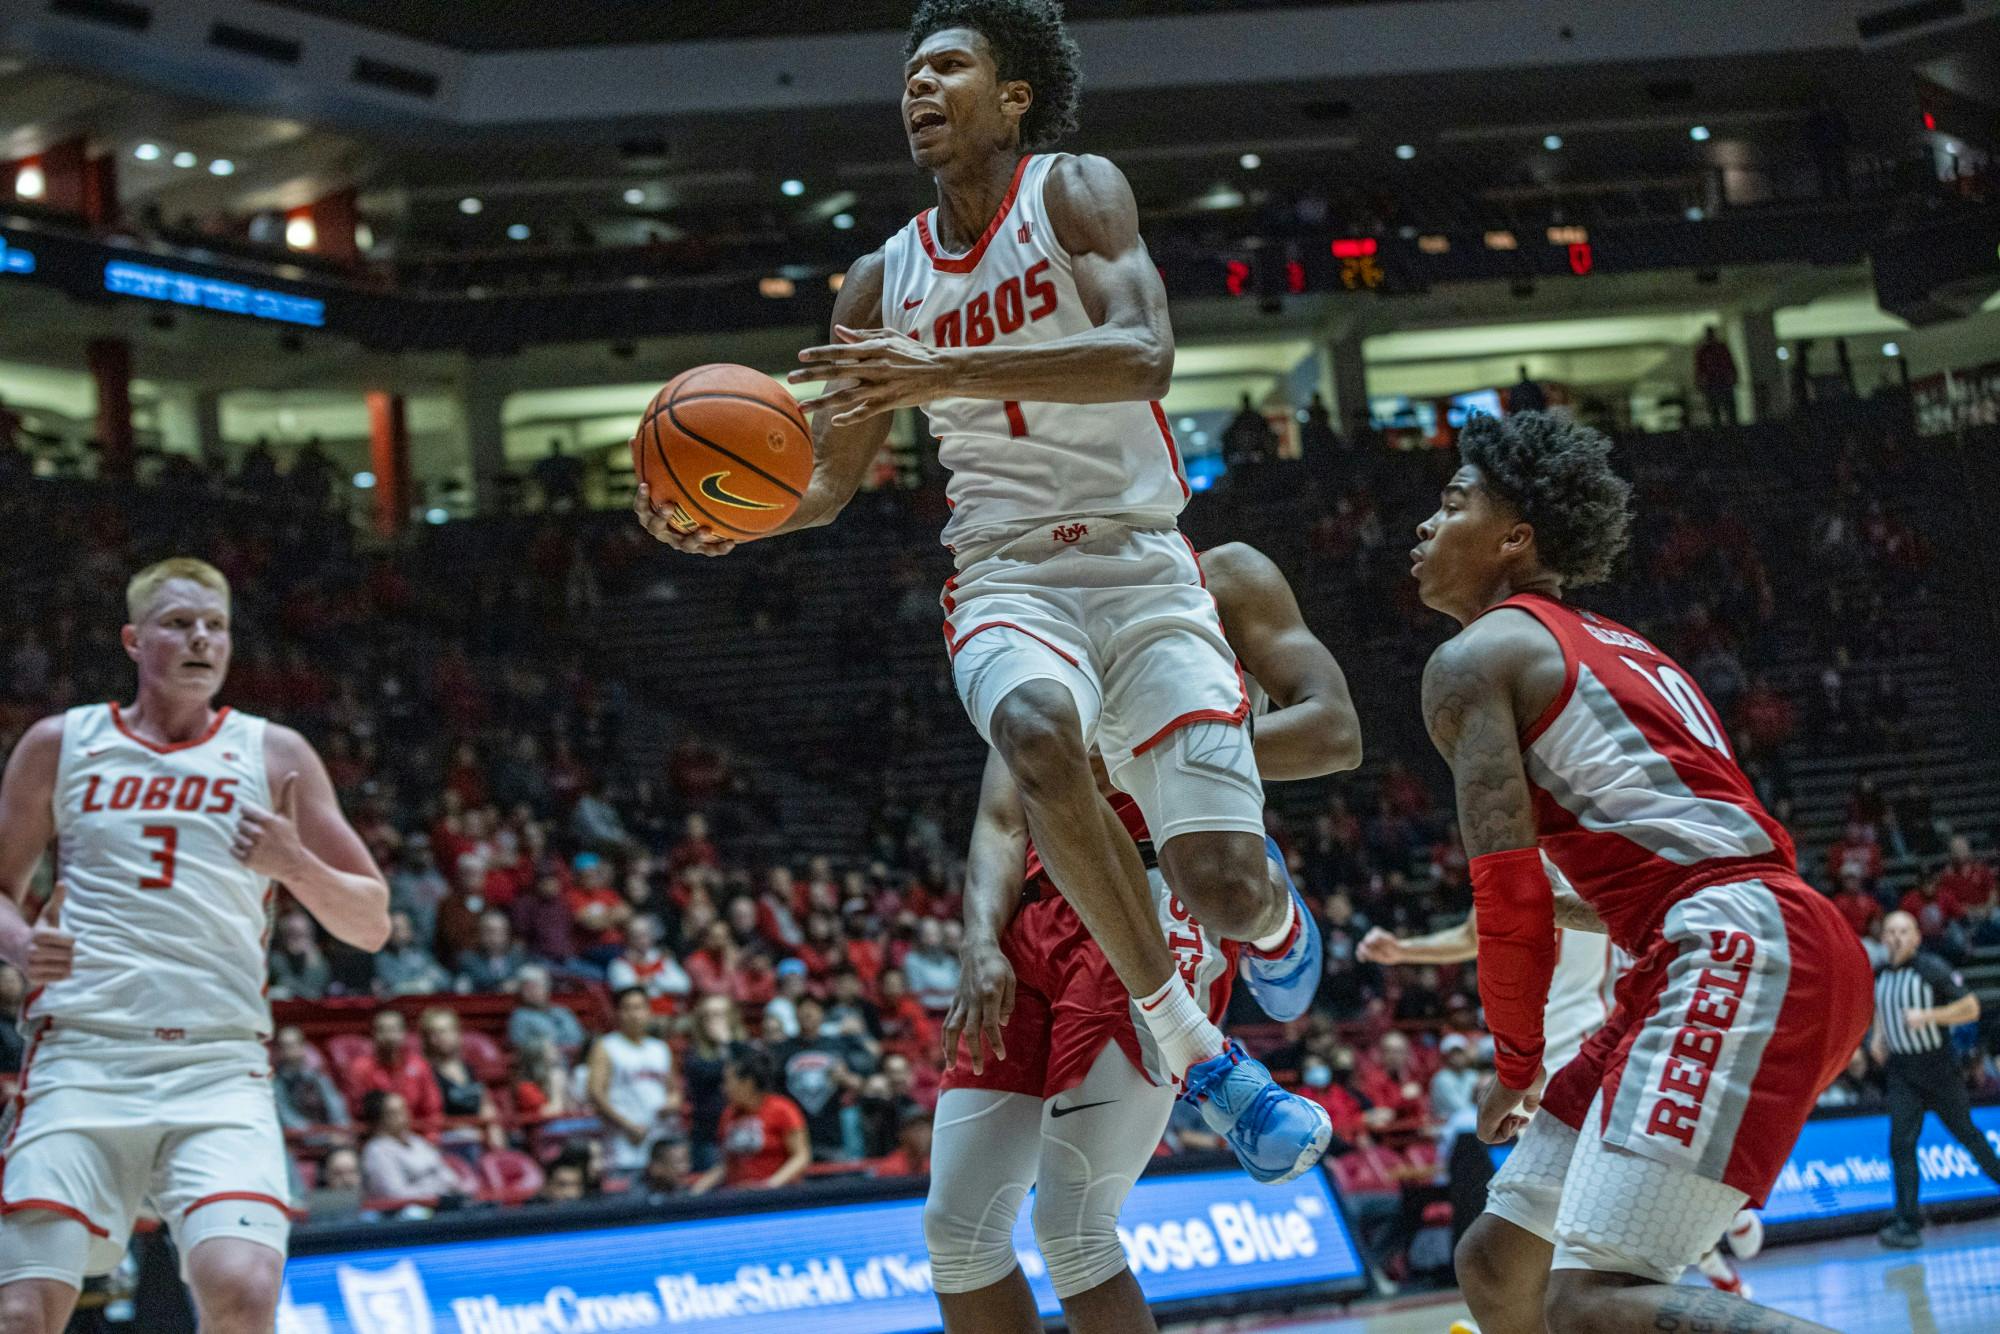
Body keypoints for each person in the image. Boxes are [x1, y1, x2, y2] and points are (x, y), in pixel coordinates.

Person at [634, 0, 1330, 1186]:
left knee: (1220, 885)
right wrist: (726, 520)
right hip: (1009, 571)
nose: (918, 87)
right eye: (909, 72)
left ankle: (1272, 918)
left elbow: (1144, 353)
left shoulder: (1075, 191)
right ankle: (1199, 1054)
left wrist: (940, 368)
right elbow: (828, 484)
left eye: (948, 66)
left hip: (1141, 558)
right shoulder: (878, 280)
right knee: (1036, 728)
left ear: (1014, 97)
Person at [1411, 413, 1872, 1334]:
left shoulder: (1477, 658)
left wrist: (1516, 1062)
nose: (1426, 523)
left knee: (1591, 1301)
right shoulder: (1618, 644)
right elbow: (1673, 852)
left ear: (1515, 537)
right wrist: (1586, 912)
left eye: (1454, 503)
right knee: (1501, 1266)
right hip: (1740, 931)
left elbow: (1509, 892)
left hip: (1731, 944)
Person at [926, 539, 1359, 1333]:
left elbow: (1334, 733)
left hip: (1154, 895)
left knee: (1075, 1230)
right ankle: (1264, 920)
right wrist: (980, 941)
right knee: (957, 1232)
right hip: (1030, 919)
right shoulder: (1025, 601)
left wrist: (1154, 755)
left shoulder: (1228, 574)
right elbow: (1001, 816)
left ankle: (1266, 912)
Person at [0, 556, 389, 1334]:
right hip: (83, 1052)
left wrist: (295, 865)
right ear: (133, 640)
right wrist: (19, 944)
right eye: (179, 624)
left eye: (216, 626)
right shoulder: (59, 743)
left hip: (216, 1063)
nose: (202, 640)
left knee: (243, 1290)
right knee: (21, 1309)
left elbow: (371, 922)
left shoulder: (274, 753)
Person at [1871, 911, 2000, 1248]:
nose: (1896, 937)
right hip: (1902, 1072)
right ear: (1883, 938)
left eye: (1904, 931)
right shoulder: (1880, 974)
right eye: (1891, 931)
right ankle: (1907, 1222)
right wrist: (1879, 1038)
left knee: (1968, 1135)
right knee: (1901, 1145)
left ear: (1916, 938)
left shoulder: (1932, 969)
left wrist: (1928, 1015)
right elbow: (1883, 1007)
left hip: (1938, 1069)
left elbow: (1971, 1007)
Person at [689, 1050, 810, 1194]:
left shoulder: (783, 1110)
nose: (723, 1089)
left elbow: (801, 1156)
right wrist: (697, 1190)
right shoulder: (729, 1115)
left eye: (728, 1081)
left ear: (747, 1083)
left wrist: (770, 1185)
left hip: (778, 1196)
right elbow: (726, 1164)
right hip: (739, 1197)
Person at [589, 987, 679, 1177]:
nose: (634, 1014)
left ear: (648, 1011)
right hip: (624, 1143)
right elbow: (595, 1093)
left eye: (639, 1007)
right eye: (627, 1008)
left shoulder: (660, 1048)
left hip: (659, 1141)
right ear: (618, 1013)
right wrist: (627, 1126)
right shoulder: (607, 1046)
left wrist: (673, 1102)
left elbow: (673, 1090)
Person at [270, 1025, 351, 1142]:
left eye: (295, 1044)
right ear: (278, 1050)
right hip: (300, 1141)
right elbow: (287, 1117)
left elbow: (335, 1103)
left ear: (303, 1046)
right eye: (285, 1046)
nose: (291, 1050)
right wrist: (324, 1136)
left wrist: (341, 1130)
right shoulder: (277, 1082)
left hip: (332, 1135)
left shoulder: (318, 1074)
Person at [1693, 326, 1739, 426]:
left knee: (1728, 408)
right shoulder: (1705, 351)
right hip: (1713, 382)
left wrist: (1734, 376)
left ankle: (1731, 427)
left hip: (1722, 381)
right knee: (1716, 409)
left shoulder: (1719, 348)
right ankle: (1722, 428)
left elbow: (1729, 363)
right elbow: (1699, 368)